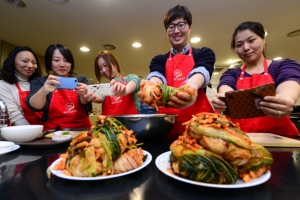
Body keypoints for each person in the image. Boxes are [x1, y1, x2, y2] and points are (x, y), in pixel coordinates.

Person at [211, 21, 300, 138]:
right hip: (239, 141)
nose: (246, 48)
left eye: (251, 41)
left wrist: (286, 100)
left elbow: (288, 88)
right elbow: (225, 90)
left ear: (264, 39)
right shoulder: (231, 74)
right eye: (239, 45)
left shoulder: (284, 66)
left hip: (277, 141)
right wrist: (221, 100)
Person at [140, 5, 215, 141]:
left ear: (190, 27)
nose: (176, 31)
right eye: (171, 27)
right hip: (166, 129)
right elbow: (157, 75)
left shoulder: (204, 53)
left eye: (181, 25)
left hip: (200, 130)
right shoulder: (159, 59)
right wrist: (151, 89)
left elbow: (201, 72)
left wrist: (191, 87)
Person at [25, 44, 92, 130]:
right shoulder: (40, 82)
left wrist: (85, 93)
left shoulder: (81, 79)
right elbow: (35, 107)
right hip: (53, 132)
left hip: (83, 129)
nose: (62, 64)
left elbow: (85, 102)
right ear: (50, 62)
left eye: (66, 60)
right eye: (56, 60)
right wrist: (43, 92)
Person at [84, 50, 141, 115]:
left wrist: (125, 90)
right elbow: (99, 97)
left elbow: (136, 81)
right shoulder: (105, 87)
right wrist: (90, 95)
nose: (103, 70)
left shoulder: (128, 79)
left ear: (115, 64)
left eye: (105, 65)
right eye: (100, 68)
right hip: (109, 124)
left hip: (131, 124)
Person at [0, 46, 43, 126]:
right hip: (21, 133)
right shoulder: (3, 85)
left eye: (34, 62)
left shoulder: (39, 84)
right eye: (24, 61)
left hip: (44, 131)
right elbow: (15, 116)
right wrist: (32, 133)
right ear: (12, 62)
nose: (30, 65)